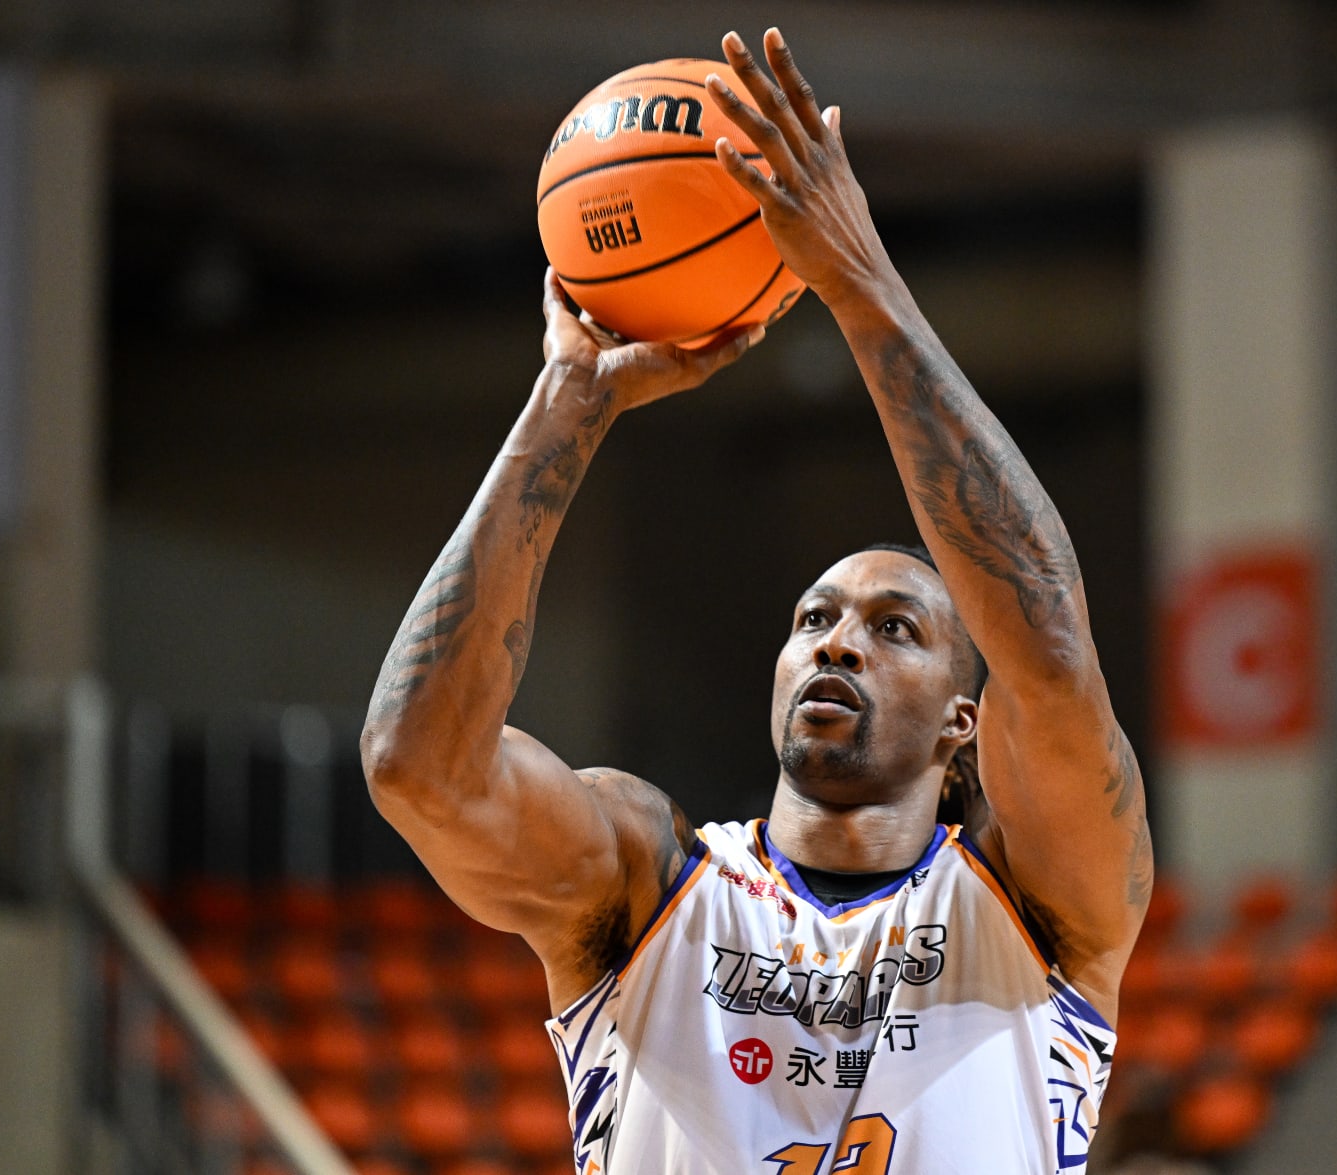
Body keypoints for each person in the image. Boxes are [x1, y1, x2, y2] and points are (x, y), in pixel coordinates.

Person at [360, 27, 1152, 1175]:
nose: (839, 641)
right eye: (813, 619)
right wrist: (567, 404)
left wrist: (859, 283)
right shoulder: (647, 884)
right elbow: (416, 765)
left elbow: (1050, 646)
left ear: (964, 722)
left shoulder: (1042, 909)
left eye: (895, 627)